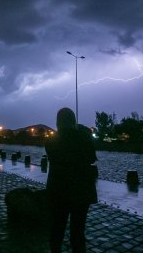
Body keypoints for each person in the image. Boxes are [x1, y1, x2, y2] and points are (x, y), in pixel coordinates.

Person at [45, 107, 97, 253]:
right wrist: (81, 131)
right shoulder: (84, 137)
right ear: (74, 120)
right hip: (81, 190)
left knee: (57, 229)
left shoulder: (50, 141)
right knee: (78, 231)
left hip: (58, 190)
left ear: (58, 122)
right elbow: (92, 157)